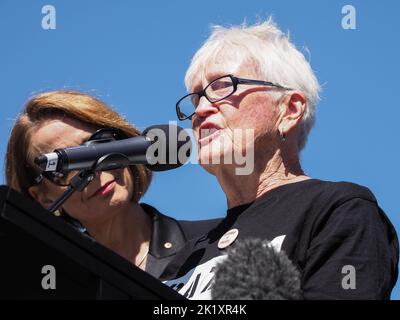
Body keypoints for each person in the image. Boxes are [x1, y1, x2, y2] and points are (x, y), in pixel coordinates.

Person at [162, 18, 399, 299]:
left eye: (222, 86)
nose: (200, 110)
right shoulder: (190, 254)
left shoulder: (339, 210)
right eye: (195, 99)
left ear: (289, 110)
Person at [5, 90, 220, 279]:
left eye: (99, 144)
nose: (95, 169)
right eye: (64, 165)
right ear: (43, 198)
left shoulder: (219, 243)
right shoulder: (55, 285)